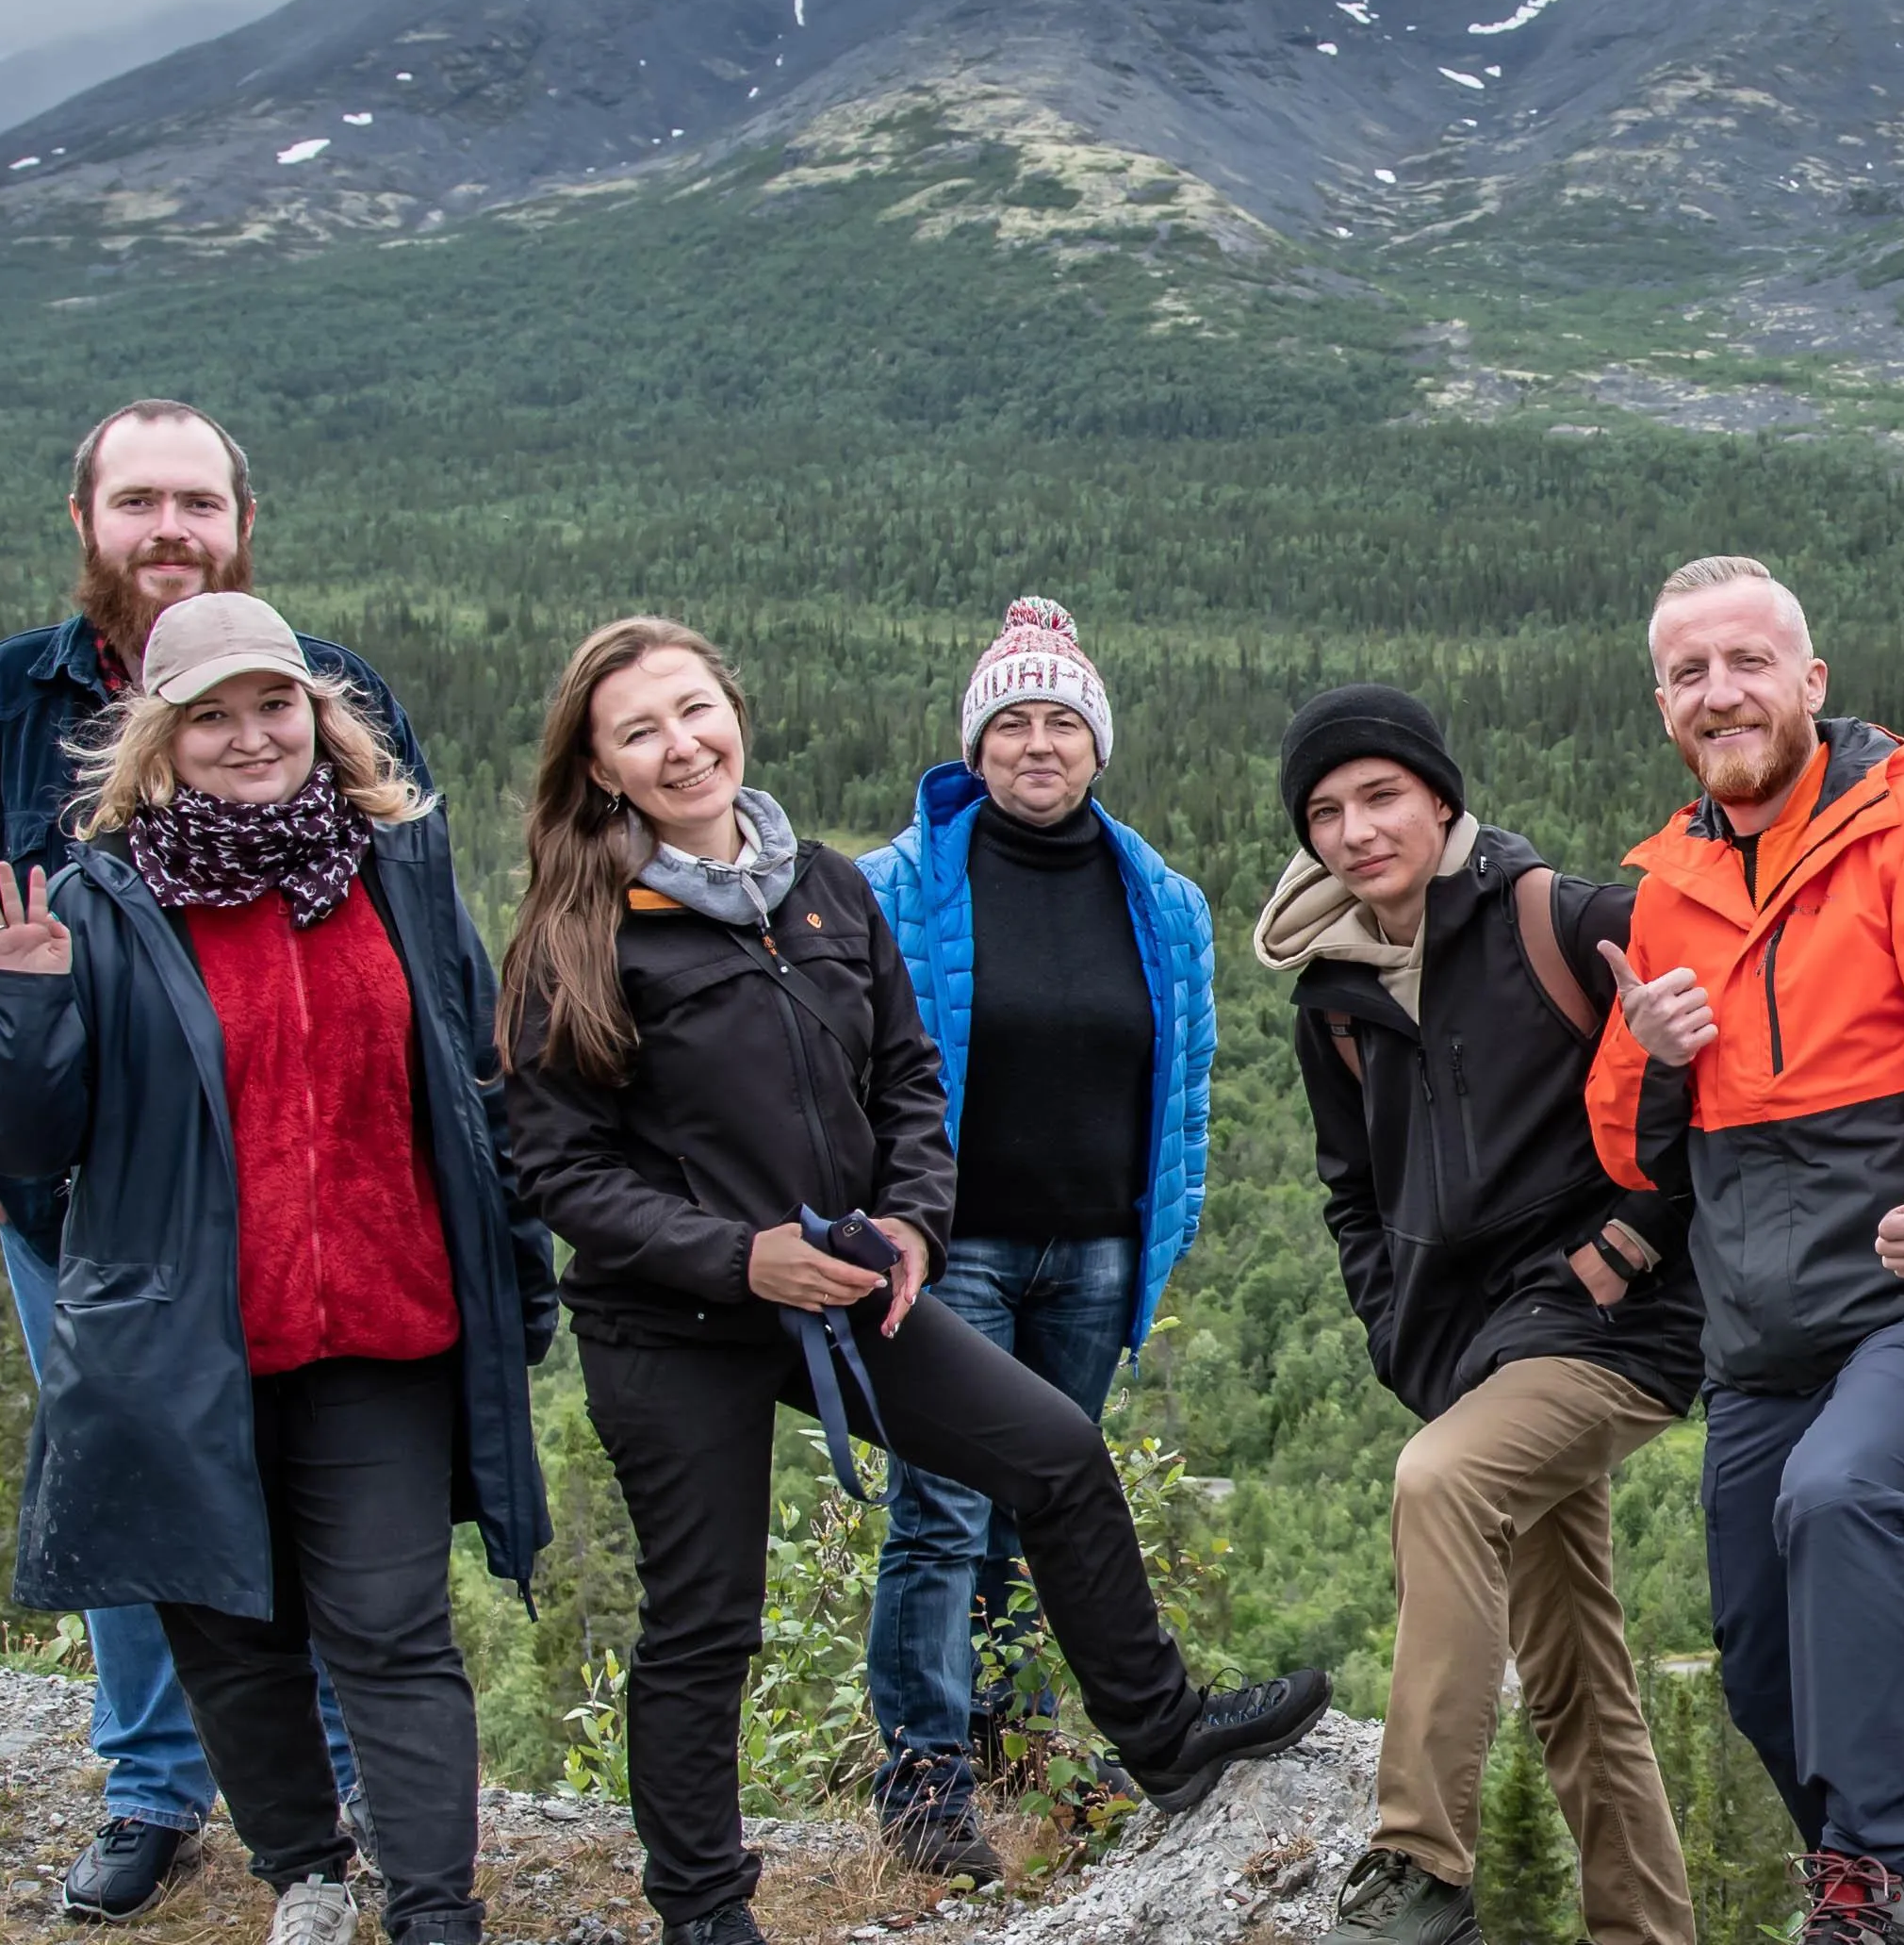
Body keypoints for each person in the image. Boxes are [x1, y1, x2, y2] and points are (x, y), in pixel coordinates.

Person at [499, 617, 1327, 1945]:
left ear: (735, 713)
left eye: (695, 709)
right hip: (676, 1319)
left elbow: (905, 1079)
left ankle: (1165, 1737)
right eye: (639, 730)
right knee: (706, 1619)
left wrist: (914, 1228)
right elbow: (559, 1171)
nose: (681, 744)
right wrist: (737, 1254)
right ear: (599, 770)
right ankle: (705, 1908)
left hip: (848, 1282)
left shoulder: (822, 887)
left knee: (1055, 1457)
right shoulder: (579, 934)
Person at [0, 399, 419, 1920]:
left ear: (243, 524)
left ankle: (350, 1790)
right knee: (144, 1492)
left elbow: (407, 912)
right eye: (137, 504)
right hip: (91, 1205)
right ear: (85, 522)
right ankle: (158, 1788)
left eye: (198, 504)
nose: (169, 530)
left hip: (318, 1208)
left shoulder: (335, 689)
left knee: (326, 1499)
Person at [0, 592, 550, 1945]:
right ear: (157, 739)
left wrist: (523, 1271)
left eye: (272, 704)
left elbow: (474, 1082)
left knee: (393, 1627)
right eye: (209, 714)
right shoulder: (102, 902)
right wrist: (29, 1005)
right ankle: (306, 1871)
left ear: (316, 712)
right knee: (230, 1629)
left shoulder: (397, 864)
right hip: (187, 1341)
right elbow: (26, 1146)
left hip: (389, 1330)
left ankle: (436, 1909)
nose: (249, 735)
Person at [1585, 556, 1904, 1945]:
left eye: (1745, 664)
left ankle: (1879, 1871)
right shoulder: (1664, 888)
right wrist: (1645, 1054)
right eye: (1689, 675)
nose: (1720, 694)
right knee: (1755, 1664)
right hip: (1761, 1336)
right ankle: (1855, 1883)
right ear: (1665, 701)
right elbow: (1628, 1150)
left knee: (1840, 1496)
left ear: (1810, 681)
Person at [1255, 684, 1705, 1945]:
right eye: (1326, 812)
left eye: (1381, 796)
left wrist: (1630, 1240)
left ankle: (1418, 1866)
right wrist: (1394, 1322)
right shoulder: (1333, 997)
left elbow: (1717, 1076)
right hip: (1470, 1347)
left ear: (1439, 798)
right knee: (1575, 1671)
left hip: (1617, 1324)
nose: (1355, 831)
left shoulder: (1553, 919)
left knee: (1440, 1485)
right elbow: (1353, 1191)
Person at [850, 598, 1220, 1881]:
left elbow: (1190, 1078)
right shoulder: (897, 887)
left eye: (1064, 720)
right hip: (952, 1258)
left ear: (1098, 744)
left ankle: (1016, 1746)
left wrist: (1167, 1217)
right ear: (976, 743)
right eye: (1012, 722)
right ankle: (924, 1776)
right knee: (941, 1511)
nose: (1038, 745)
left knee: (1038, 1508)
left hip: (1094, 1255)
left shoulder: (1162, 900)